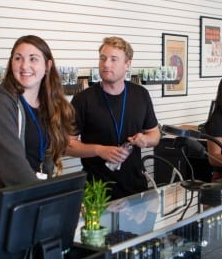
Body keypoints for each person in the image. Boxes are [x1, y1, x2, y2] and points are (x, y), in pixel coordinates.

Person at [0, 34, 75, 229]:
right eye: (18, 58)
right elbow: (14, 169)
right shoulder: (0, 104)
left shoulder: (48, 104)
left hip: (39, 204)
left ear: (47, 66)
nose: (24, 66)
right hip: (13, 211)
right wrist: (51, 204)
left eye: (33, 59)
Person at [67, 36, 161, 200]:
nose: (106, 64)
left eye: (113, 59)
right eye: (103, 58)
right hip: (96, 195)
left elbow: (155, 135)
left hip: (135, 191)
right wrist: (99, 150)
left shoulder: (141, 95)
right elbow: (67, 145)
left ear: (127, 64)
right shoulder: (82, 100)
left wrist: (145, 140)